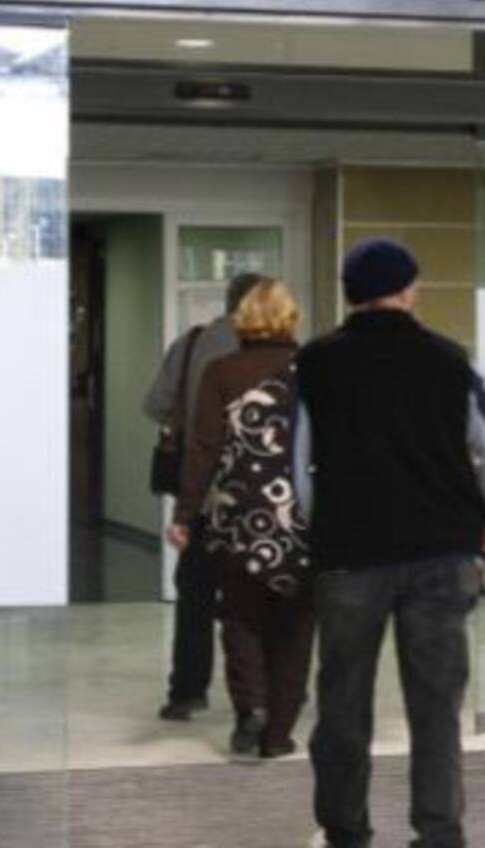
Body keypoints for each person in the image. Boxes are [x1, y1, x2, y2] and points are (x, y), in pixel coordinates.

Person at [294, 239, 485, 848]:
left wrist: (323, 531)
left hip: (348, 556)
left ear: (351, 295)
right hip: (442, 555)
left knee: (343, 702)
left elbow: (297, 467)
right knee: (436, 706)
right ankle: (439, 831)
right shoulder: (450, 360)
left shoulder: (316, 363)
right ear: (409, 290)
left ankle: (345, 829)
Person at [168, 277, 314, 759]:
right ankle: (279, 734)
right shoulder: (314, 370)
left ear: (241, 320)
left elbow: (203, 449)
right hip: (300, 518)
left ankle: (250, 710)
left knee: (239, 617)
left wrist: (185, 513)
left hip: (239, 515)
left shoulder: (222, 371)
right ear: (290, 318)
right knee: (295, 626)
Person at [143, 270, 262, 721]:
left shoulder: (192, 344)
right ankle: (263, 690)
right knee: (260, 591)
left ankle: (187, 691)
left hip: (201, 487)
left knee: (195, 591)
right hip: (261, 494)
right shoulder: (277, 352)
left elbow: (155, 404)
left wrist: (190, 418)